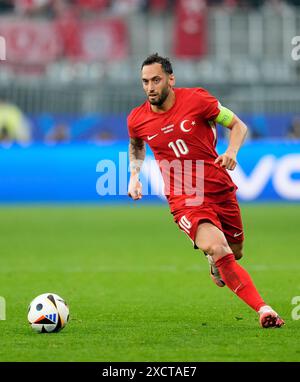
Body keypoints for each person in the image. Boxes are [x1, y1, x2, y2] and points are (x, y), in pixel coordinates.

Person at [127, 53, 284, 328]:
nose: (150, 87)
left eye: (156, 80)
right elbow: (137, 144)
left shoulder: (198, 100)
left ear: (170, 80)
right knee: (217, 246)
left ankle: (215, 262)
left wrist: (231, 151)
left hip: (219, 187)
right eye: (145, 82)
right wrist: (134, 175)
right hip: (184, 197)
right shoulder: (137, 118)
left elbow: (238, 125)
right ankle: (264, 309)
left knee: (234, 252)